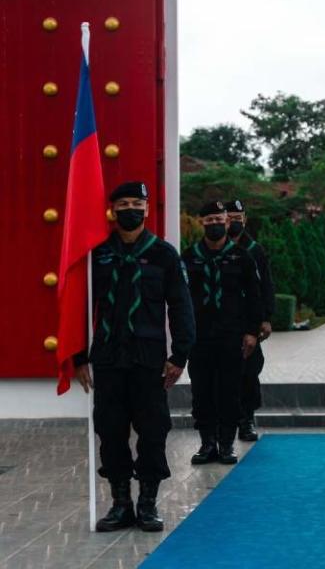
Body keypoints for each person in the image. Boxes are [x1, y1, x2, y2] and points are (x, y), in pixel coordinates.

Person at [74, 181, 195, 532]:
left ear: (146, 208)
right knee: (110, 431)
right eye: (124, 203)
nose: (131, 209)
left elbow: (181, 306)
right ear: (112, 211)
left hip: (148, 361)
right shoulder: (97, 253)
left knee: (153, 431)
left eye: (137, 203)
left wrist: (180, 355)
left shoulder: (164, 254)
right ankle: (120, 503)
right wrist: (79, 356)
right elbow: (79, 308)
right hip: (109, 359)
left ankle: (147, 504)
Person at [185, 201, 262, 466]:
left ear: (227, 222)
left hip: (232, 335)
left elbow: (254, 296)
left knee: (229, 390)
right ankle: (207, 443)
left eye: (219, 219)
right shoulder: (189, 256)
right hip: (200, 337)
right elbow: (180, 299)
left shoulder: (242, 256)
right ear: (201, 223)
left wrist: (252, 331)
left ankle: (227, 443)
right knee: (202, 391)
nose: (214, 224)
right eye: (209, 220)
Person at [225, 199, 276, 442]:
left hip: (249, 322)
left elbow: (265, 284)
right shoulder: (214, 248)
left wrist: (266, 318)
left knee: (249, 372)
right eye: (229, 217)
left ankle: (246, 421)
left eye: (238, 217)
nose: (233, 222)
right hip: (221, 323)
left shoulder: (254, 249)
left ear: (245, 219)